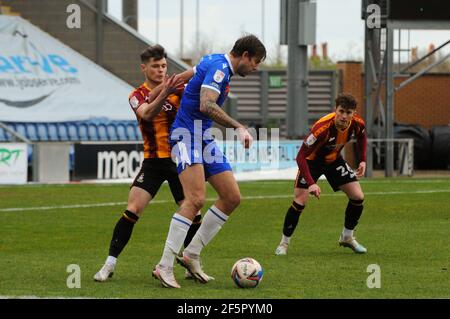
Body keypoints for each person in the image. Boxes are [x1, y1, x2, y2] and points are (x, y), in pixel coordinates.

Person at [151, 34, 266, 288]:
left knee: (232, 197)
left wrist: (155, 94)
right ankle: (164, 265)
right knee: (195, 200)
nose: (256, 67)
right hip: (186, 136)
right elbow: (206, 104)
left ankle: (191, 254)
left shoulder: (212, 59)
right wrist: (238, 127)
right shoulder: (219, 68)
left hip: (203, 137)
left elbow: (180, 77)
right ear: (245, 56)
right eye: (256, 61)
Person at [94, 45, 201, 282]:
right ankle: (109, 264)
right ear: (144, 68)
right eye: (155, 66)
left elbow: (196, 107)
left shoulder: (179, 91)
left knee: (194, 210)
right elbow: (147, 114)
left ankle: (190, 263)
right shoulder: (137, 95)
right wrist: (165, 91)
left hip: (178, 161)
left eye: (163, 66)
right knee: (133, 210)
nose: (161, 70)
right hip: (152, 162)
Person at [275, 93, 368, 256]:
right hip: (311, 163)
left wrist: (362, 160)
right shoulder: (321, 128)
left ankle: (347, 237)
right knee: (300, 200)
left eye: (349, 112)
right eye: (341, 111)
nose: (344, 116)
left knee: (358, 196)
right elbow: (300, 157)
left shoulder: (357, 123)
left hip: (334, 161)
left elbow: (362, 137)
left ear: (354, 113)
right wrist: (311, 183)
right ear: (335, 109)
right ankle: (284, 243)